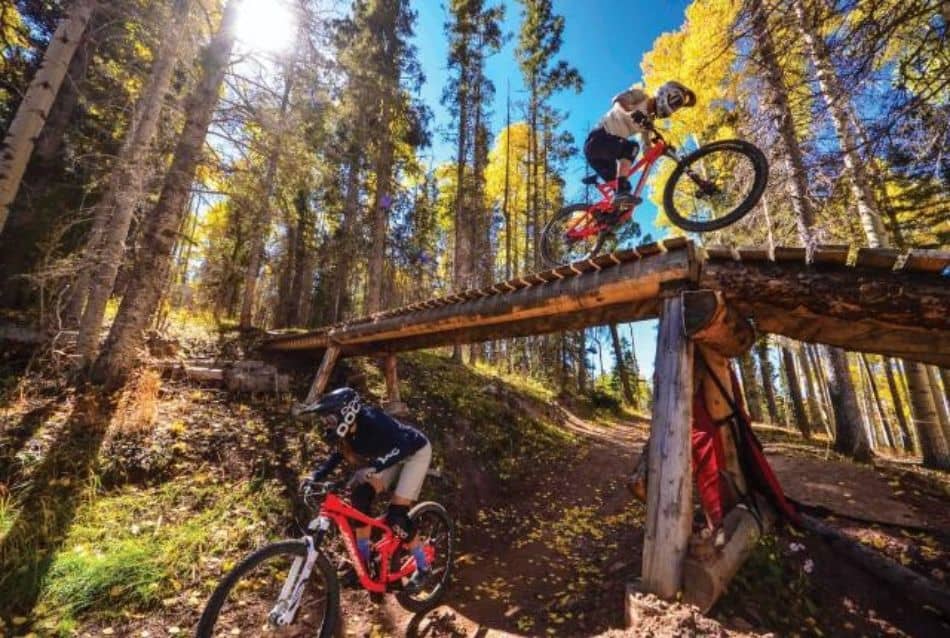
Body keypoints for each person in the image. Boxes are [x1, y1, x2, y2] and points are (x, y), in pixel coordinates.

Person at [303, 387, 433, 591]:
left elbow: (403, 445)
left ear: (346, 412)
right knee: (360, 497)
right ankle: (363, 562)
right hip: (393, 456)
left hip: (414, 451)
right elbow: (336, 457)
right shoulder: (348, 433)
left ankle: (424, 567)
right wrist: (315, 476)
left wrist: (375, 467)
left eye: (329, 419)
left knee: (397, 516)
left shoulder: (373, 419)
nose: (327, 424)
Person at [584, 81, 696, 208]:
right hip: (598, 139)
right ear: (666, 93)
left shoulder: (648, 122)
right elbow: (618, 100)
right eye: (674, 102)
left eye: (676, 107)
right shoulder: (640, 96)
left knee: (622, 197)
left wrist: (662, 150)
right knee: (631, 147)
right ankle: (620, 193)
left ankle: (602, 221)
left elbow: (646, 150)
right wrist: (630, 112)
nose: (673, 108)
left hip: (604, 156)